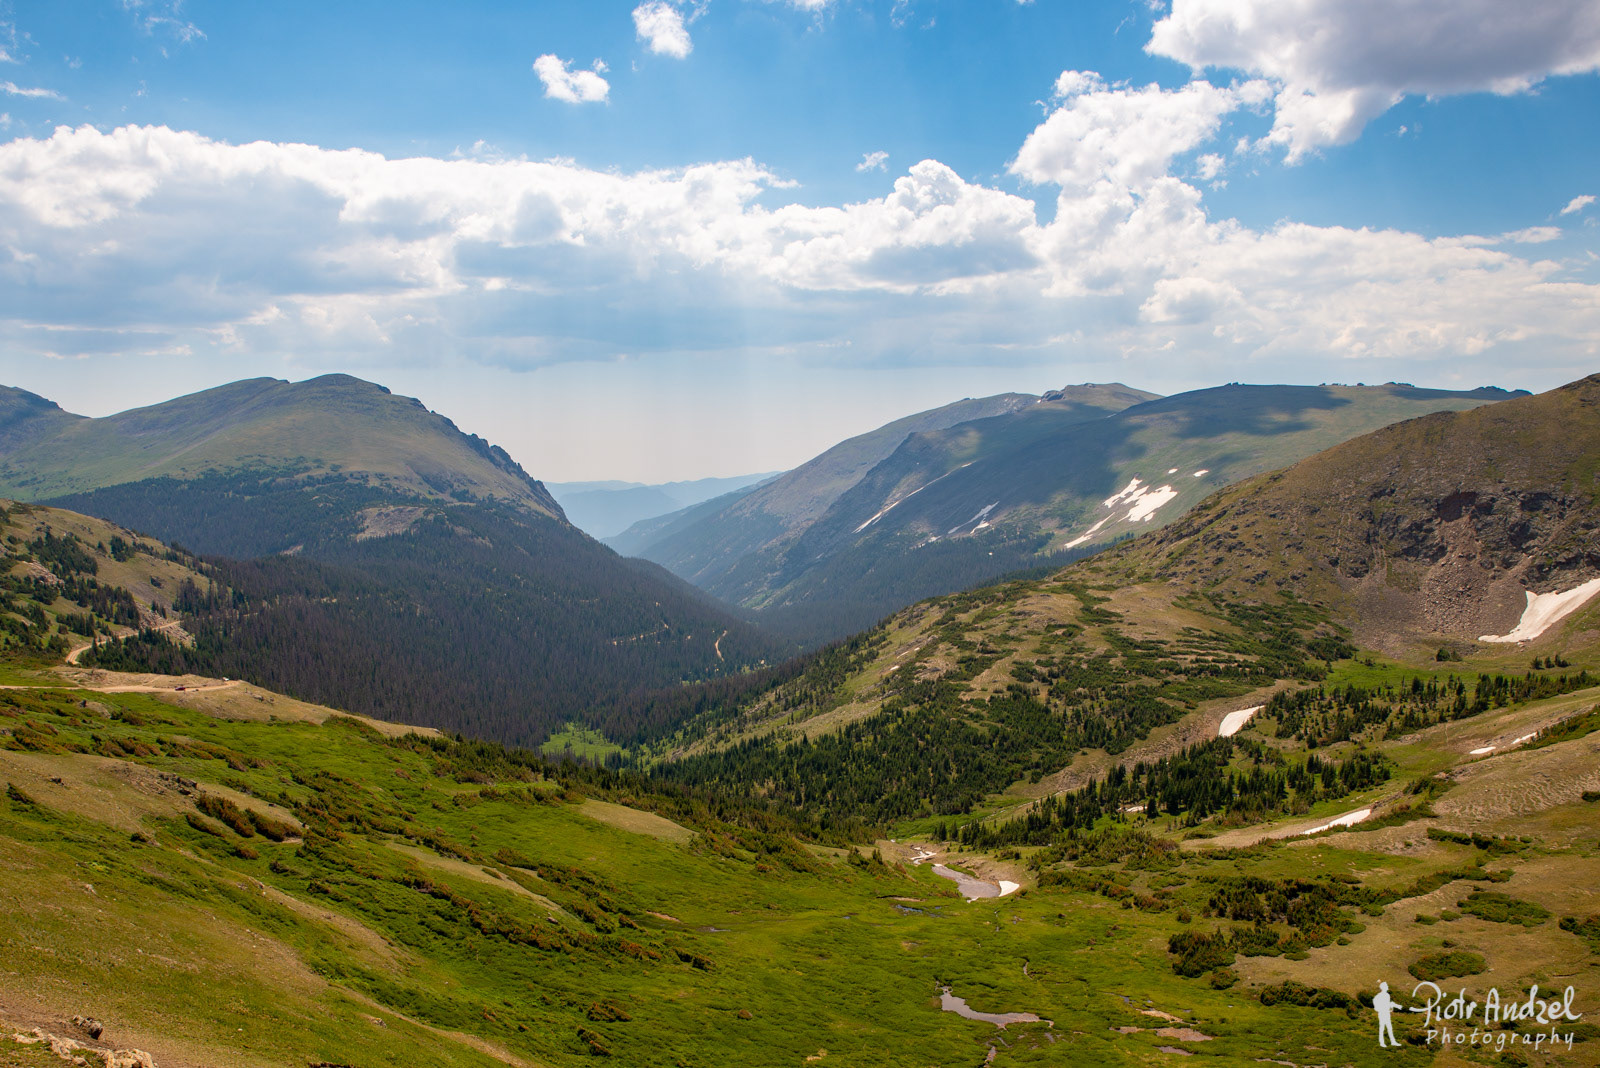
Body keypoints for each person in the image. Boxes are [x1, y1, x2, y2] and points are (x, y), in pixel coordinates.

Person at [1374, 981, 1402, 1048]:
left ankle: (1393, 1041)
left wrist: (1394, 1006)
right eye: (1386, 986)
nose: (1388, 987)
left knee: (1390, 1028)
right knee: (1382, 1028)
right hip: (1382, 1013)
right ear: (1383, 988)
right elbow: (1376, 1006)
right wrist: (1382, 1009)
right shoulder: (1379, 996)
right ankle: (1382, 1042)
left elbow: (1388, 1004)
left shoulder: (1387, 995)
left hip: (1387, 1013)